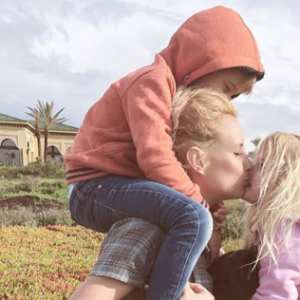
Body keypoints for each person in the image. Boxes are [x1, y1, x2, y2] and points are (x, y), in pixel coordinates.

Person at [65, 5, 264, 300]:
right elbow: (156, 156)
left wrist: (209, 211)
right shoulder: (152, 82)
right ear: (200, 61)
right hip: (95, 186)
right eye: (225, 88)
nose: (222, 101)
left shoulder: (169, 96)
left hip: (115, 186)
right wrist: (200, 207)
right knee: (193, 218)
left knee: (194, 217)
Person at [68, 86, 254, 300]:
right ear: (198, 160)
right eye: (238, 153)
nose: (249, 165)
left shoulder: (197, 237)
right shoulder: (148, 229)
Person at [242, 132, 300, 300]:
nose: (250, 169)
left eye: (260, 165)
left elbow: (276, 295)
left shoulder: (282, 228)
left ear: (282, 178)